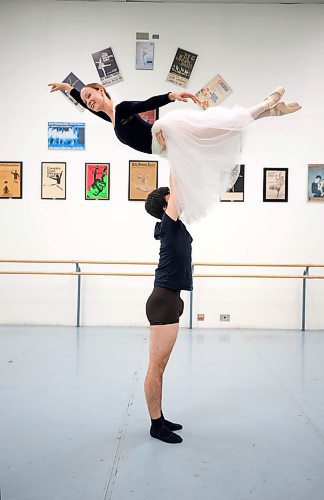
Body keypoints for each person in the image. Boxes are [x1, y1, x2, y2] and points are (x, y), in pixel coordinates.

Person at [49, 81, 301, 222]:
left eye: (91, 94)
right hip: (166, 149)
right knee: (220, 133)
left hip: (168, 135)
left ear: (102, 90)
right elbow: (86, 103)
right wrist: (67, 88)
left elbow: (147, 103)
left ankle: (267, 103)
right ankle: (271, 112)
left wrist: (171, 95)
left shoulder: (122, 108)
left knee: (221, 127)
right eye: (86, 98)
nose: (89, 100)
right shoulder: (112, 119)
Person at [144, 177, 193, 444]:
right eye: (170, 198)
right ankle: (155, 425)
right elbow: (177, 184)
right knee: (156, 367)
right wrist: (174, 148)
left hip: (170, 297)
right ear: (166, 206)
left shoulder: (172, 225)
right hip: (163, 300)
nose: (176, 199)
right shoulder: (169, 222)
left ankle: (160, 417)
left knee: (161, 368)